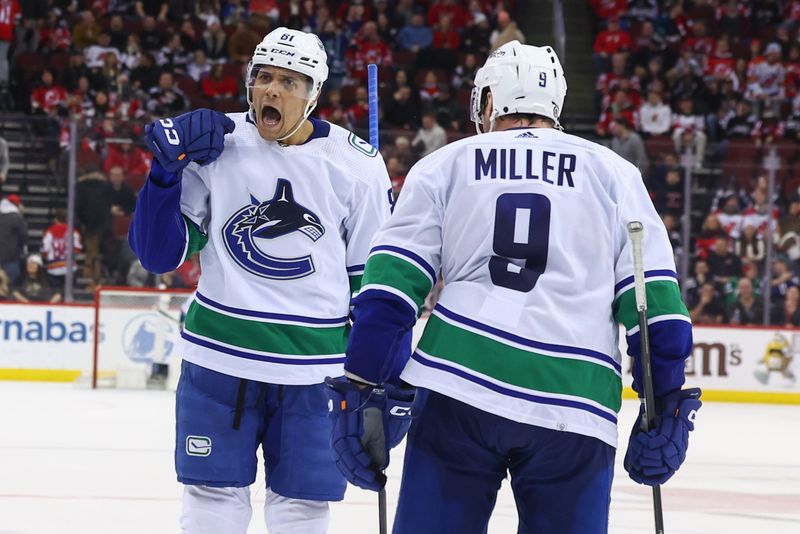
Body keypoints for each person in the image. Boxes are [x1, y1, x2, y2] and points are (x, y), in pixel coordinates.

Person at [326, 41, 702, 534]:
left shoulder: (447, 164)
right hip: (575, 402)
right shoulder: (615, 174)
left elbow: (390, 295)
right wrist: (665, 401)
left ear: (489, 101)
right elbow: (657, 310)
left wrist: (364, 382)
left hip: (458, 387)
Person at [128, 27, 393, 534]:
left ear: (313, 95)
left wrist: (377, 375)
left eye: (289, 81)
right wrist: (164, 174)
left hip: (314, 372)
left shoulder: (356, 165)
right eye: (263, 77)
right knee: (211, 500)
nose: (271, 90)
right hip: (218, 359)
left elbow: (373, 284)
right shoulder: (214, 145)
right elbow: (159, 254)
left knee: (302, 507)